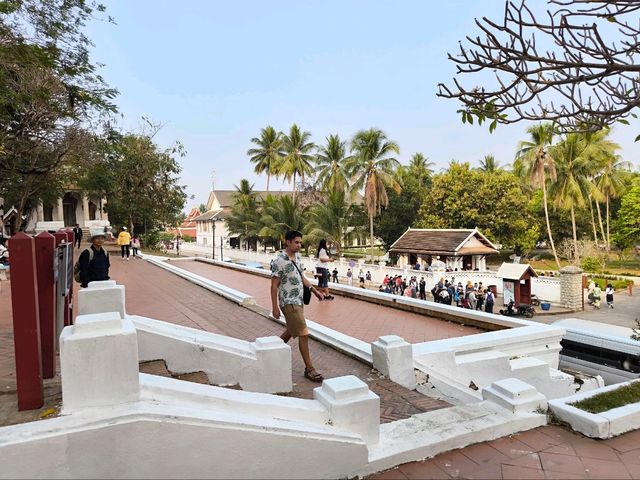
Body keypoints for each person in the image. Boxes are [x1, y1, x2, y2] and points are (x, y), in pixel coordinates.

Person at [270, 230, 325, 382]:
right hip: (288, 301)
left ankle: (271, 351)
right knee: (303, 333)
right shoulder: (279, 261)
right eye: (296, 242)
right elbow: (274, 285)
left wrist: (315, 291)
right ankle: (309, 369)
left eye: (300, 242)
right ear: (287, 242)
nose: (299, 245)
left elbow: (302, 278)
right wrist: (274, 307)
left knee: (291, 330)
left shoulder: (298, 257)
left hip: (299, 301)